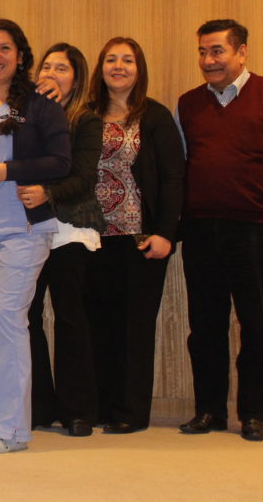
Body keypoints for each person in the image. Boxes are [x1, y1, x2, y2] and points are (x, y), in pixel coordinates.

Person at [177, 19, 263, 442]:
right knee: (205, 326)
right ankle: (209, 411)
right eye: (203, 52)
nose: (208, 60)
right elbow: (184, 162)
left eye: (217, 51)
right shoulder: (188, 104)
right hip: (200, 229)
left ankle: (253, 414)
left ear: (241, 52)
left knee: (255, 324)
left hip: (254, 229)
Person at [0, 19, 71, 454]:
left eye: (4, 48)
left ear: (20, 56)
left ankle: (6, 429)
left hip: (24, 227)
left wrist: (9, 171)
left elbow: (61, 161)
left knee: (7, 320)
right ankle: (8, 422)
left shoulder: (38, 103)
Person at [83, 37, 184, 434]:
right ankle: (101, 406)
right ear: (101, 68)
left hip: (140, 238)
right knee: (97, 323)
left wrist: (166, 233)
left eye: (128, 60)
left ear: (139, 69)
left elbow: (173, 178)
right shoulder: (85, 114)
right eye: (111, 59)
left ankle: (131, 411)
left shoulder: (154, 116)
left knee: (135, 327)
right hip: (92, 238)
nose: (119, 66)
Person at [23, 43, 105, 437]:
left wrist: (48, 194)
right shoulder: (24, 113)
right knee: (28, 317)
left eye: (62, 69)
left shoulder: (86, 119)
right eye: (47, 67)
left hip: (71, 228)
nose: (52, 74)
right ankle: (38, 406)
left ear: (76, 78)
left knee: (71, 317)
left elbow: (84, 177)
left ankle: (78, 410)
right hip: (29, 226)